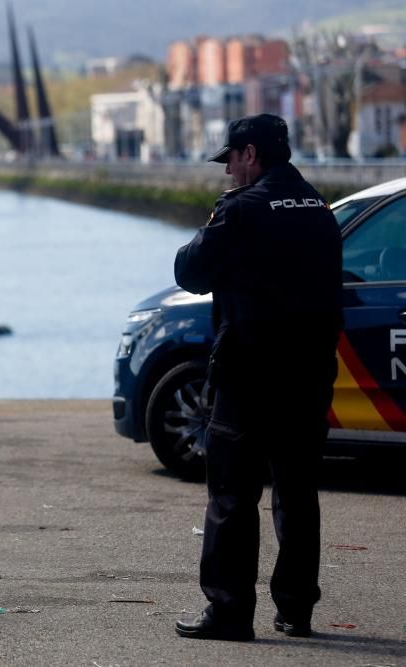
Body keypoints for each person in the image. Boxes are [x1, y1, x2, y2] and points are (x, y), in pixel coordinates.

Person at [173, 114, 343, 641]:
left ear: (250, 154)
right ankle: (296, 609)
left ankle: (229, 612)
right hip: (310, 372)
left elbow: (190, 271)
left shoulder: (242, 210)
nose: (228, 172)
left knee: (232, 495)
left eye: (231, 160)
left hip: (249, 372)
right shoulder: (319, 209)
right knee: (297, 493)